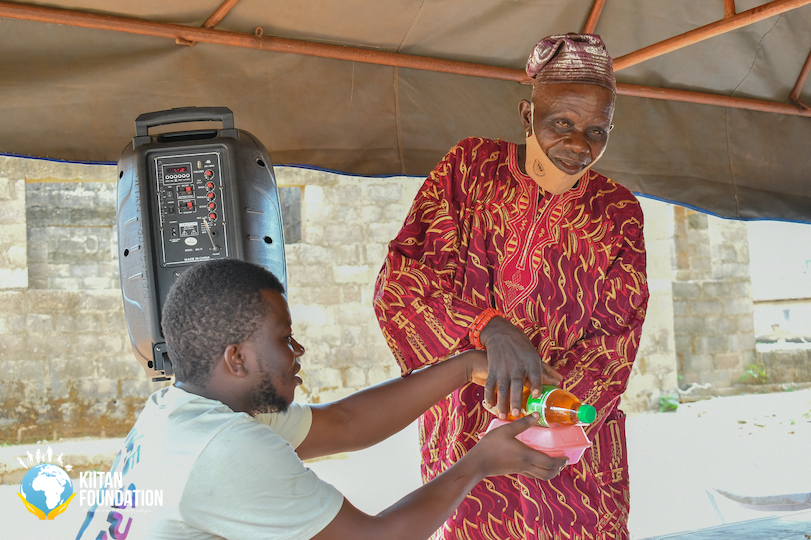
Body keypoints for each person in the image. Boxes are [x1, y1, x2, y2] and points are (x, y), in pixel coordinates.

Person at [373, 34, 649, 539]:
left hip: (568, 437)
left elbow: (617, 337)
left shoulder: (617, 211)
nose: (578, 145)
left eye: (596, 131)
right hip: (469, 429)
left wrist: (548, 411)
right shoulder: (469, 169)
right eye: (561, 123)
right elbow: (402, 282)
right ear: (527, 115)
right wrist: (490, 328)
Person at [75, 258, 567, 540]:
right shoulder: (225, 449)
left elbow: (346, 423)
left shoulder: (182, 414)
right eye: (284, 338)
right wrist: (479, 462)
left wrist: (465, 366)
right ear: (237, 359)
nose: (298, 351)